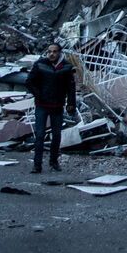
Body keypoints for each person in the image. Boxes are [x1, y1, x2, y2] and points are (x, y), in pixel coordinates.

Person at [24, 41, 78, 174]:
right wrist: (39, 95)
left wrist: (71, 104)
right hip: (42, 105)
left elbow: (71, 88)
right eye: (49, 51)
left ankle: (53, 161)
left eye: (54, 51)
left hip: (57, 106)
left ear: (59, 53)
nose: (52, 54)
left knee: (56, 135)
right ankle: (37, 165)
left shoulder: (66, 67)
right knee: (40, 135)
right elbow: (29, 82)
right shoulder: (40, 64)